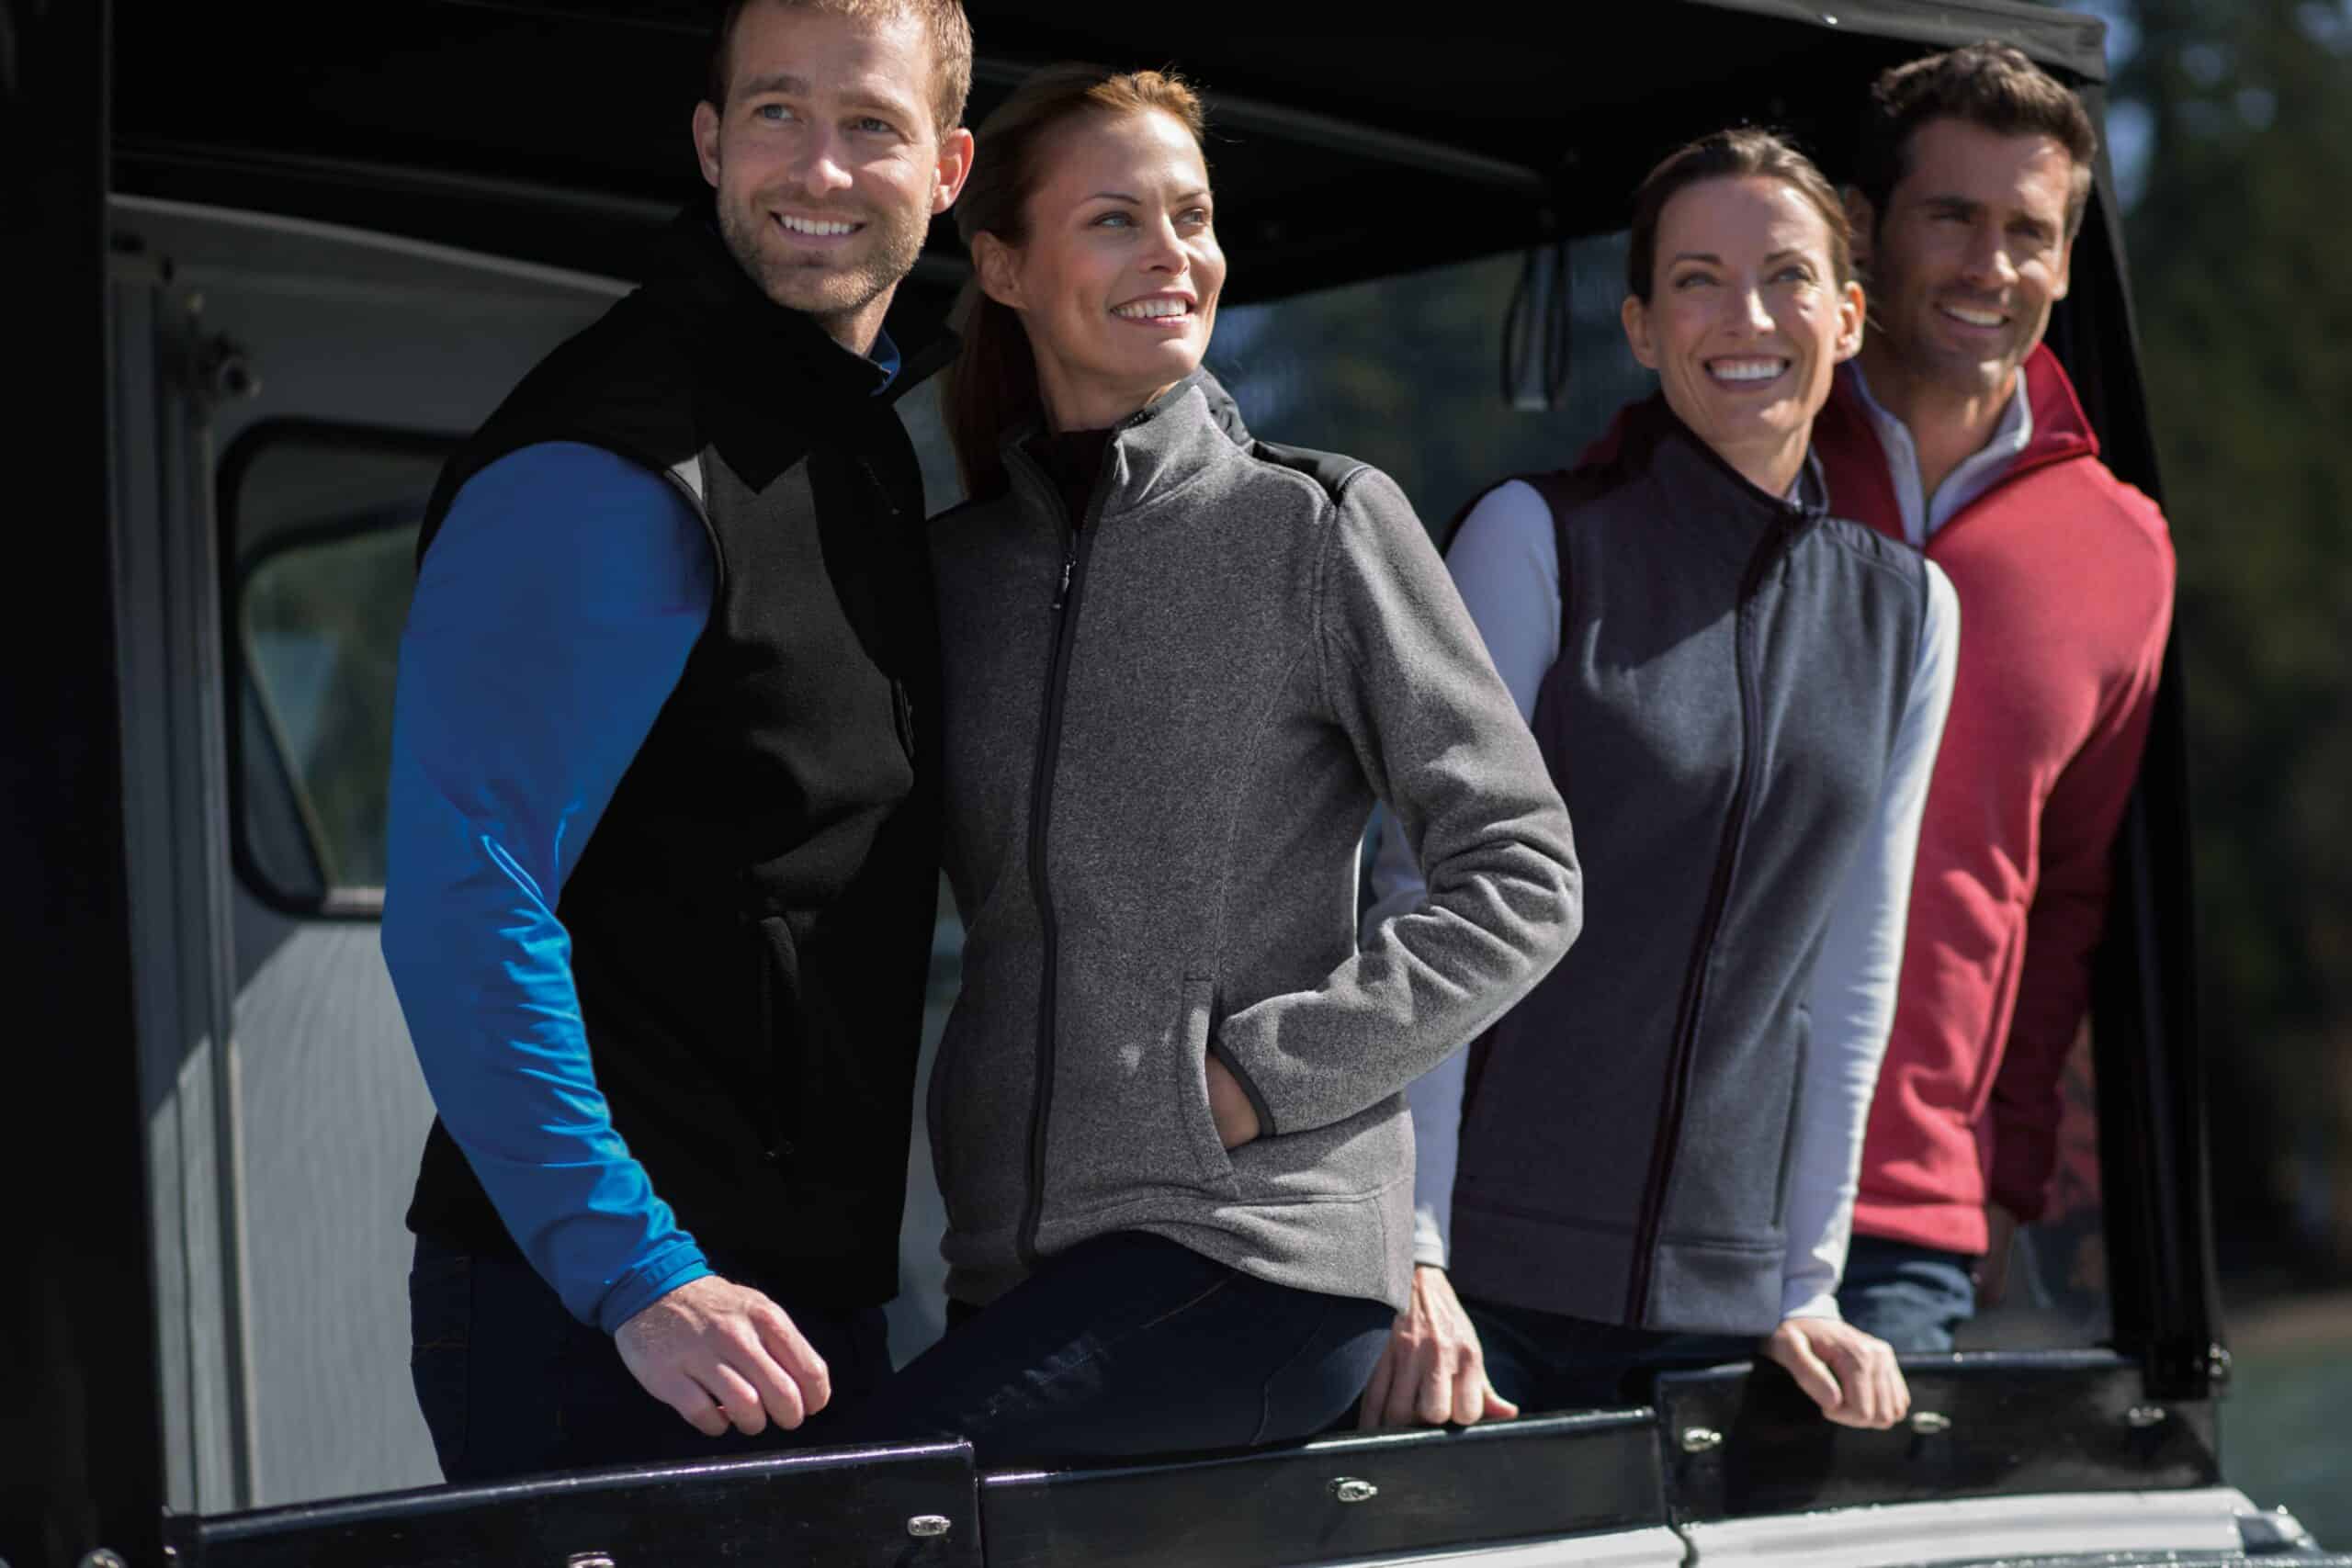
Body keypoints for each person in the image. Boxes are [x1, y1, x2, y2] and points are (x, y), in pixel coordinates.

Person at [842, 63, 1581, 1464]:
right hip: (1013, 1258)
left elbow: (1522, 875)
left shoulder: (1315, 524)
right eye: (1115, 220)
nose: (1173, 254)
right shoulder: (952, 578)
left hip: (1252, 1246)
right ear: (1002, 265)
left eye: (1191, 216)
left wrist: (1256, 1077)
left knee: (867, 1505)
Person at [379, 0, 975, 1481]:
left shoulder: (857, 443)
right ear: (710, 143)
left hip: (793, 1309)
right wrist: (633, 1271)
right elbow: (469, 895)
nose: (819, 168)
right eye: (776, 113)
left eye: (871, 124)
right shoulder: (611, 456)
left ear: (947, 169)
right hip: (618, 1327)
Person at [1362, 129, 1957, 1430]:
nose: (1748, 316)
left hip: (1731, 1318)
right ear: (1641, 327)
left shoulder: (1909, 612)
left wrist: (1808, 1285)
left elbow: (1855, 966)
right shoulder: (1534, 541)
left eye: (1788, 276)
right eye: (1698, 280)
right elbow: (1425, 904)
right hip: (1487, 1305)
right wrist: (1412, 1251)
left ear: (1848, 317)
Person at [1818, 43, 2176, 1350]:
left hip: (1912, 1219)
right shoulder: (1742, 459)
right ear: (1866, 230)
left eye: (2028, 232)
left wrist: (2009, 1174)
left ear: (2067, 262)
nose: (1991, 265)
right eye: (1952, 217)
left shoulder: (2123, 549)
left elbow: (2062, 893)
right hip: (1672, 1182)